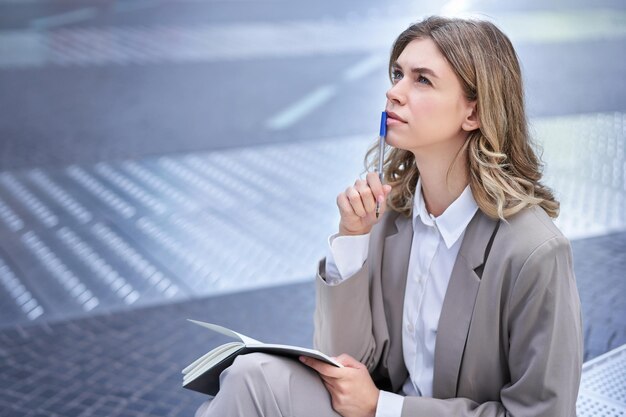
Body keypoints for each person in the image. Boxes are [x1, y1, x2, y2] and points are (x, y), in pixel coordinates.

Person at [195, 15, 583, 417]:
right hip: (374, 408)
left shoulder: (534, 253)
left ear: (474, 113)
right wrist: (352, 241)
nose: (393, 92)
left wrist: (384, 407)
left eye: (422, 80)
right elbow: (343, 362)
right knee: (248, 374)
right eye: (397, 74)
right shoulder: (391, 215)